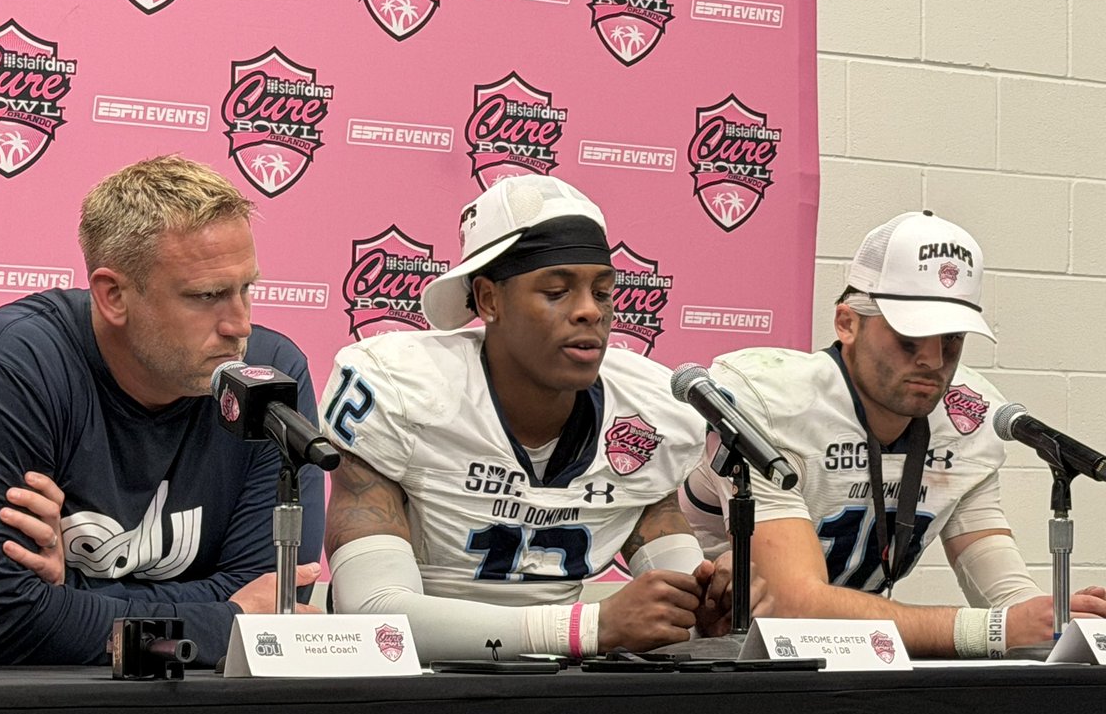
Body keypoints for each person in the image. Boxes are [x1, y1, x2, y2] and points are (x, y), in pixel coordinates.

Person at [0, 155, 325, 666]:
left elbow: (278, 598)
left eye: (246, 289)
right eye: (206, 296)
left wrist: (73, 594)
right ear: (113, 295)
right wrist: (224, 621)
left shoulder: (267, 376)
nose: (239, 326)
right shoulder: (8, 368)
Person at [320, 174, 722, 661]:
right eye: (557, 291)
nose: (589, 312)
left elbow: (676, 586)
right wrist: (588, 627)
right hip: (415, 694)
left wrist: (701, 609)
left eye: (602, 291)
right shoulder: (400, 389)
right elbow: (373, 616)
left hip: (559, 693)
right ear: (489, 299)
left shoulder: (649, 407)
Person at [681, 210, 1106, 658]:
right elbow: (797, 605)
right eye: (910, 334)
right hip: (718, 660)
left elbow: (1003, 591)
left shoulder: (968, 415)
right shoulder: (772, 398)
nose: (932, 358)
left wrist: (1063, 622)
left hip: (855, 660)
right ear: (847, 323)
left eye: (952, 338)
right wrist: (996, 629)